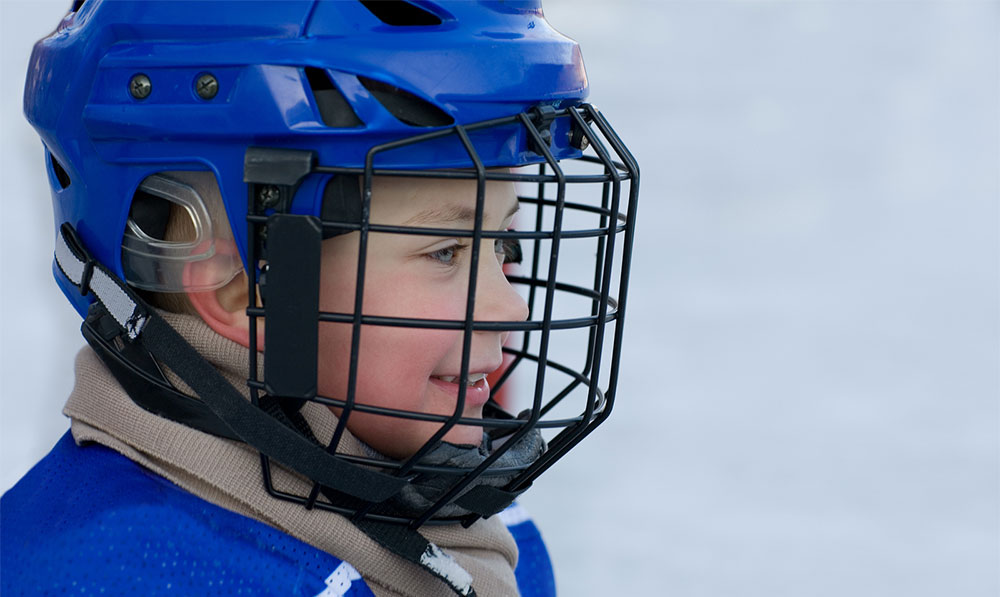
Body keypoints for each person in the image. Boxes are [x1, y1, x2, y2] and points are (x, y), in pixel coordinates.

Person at [1, 1, 639, 596]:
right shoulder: (121, 574)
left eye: (504, 243)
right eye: (446, 251)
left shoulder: (470, 528)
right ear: (239, 282)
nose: (512, 308)